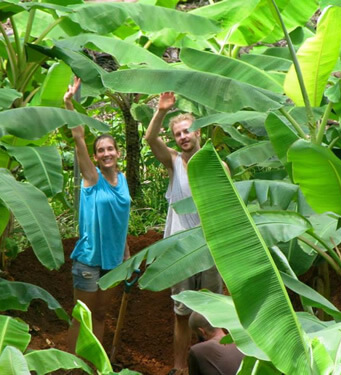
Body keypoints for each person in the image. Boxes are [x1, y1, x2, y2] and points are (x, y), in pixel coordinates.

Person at [145, 92, 224, 375]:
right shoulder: (174, 163)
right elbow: (151, 140)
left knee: (213, 313)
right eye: (178, 134)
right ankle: (180, 369)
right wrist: (161, 111)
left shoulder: (218, 166)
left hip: (209, 249)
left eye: (186, 131)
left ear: (198, 131)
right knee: (181, 314)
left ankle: (213, 365)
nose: (182, 137)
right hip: (179, 251)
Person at [64, 77, 131, 350]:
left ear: (118, 152)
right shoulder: (92, 178)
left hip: (114, 261)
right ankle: (72, 367)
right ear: (95, 156)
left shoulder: (123, 180)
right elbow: (79, 137)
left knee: (102, 316)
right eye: (100, 150)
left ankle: (97, 368)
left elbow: (120, 219)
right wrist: (69, 104)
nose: (106, 153)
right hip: (89, 261)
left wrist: (126, 253)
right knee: (83, 318)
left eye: (110, 149)